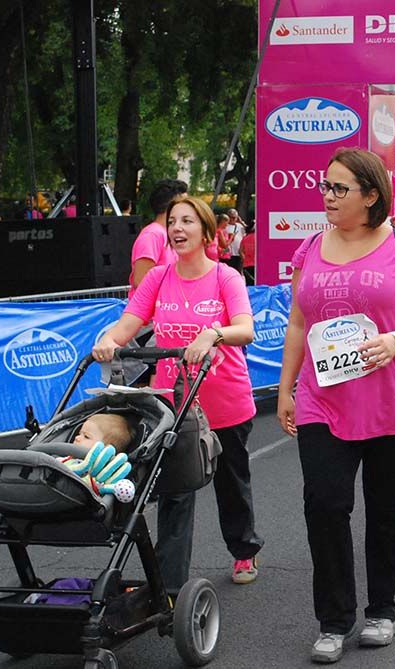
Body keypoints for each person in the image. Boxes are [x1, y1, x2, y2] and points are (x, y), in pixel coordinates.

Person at [275, 148, 395, 663]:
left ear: (371, 195)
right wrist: (286, 388)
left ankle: (382, 610)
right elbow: (299, 322)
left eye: (339, 188)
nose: (327, 195)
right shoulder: (309, 248)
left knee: (386, 510)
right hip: (325, 399)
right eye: (325, 186)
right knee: (325, 503)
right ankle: (333, 620)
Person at [94, 194, 263, 586]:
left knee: (231, 482)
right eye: (173, 222)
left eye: (187, 221)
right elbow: (128, 323)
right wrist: (108, 340)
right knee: (175, 491)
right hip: (174, 403)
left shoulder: (226, 277)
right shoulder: (158, 278)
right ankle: (171, 587)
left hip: (225, 399)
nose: (177, 229)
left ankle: (244, 551)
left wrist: (213, 333)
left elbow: (246, 328)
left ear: (206, 231)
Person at [129, 179, 188, 294]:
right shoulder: (152, 235)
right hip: (153, 310)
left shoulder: (168, 234)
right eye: (185, 203)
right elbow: (140, 281)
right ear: (171, 205)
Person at [240, 218, 256, 286]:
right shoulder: (258, 237)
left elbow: (240, 250)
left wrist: (244, 258)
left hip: (246, 264)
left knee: (249, 284)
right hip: (256, 264)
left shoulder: (245, 238)